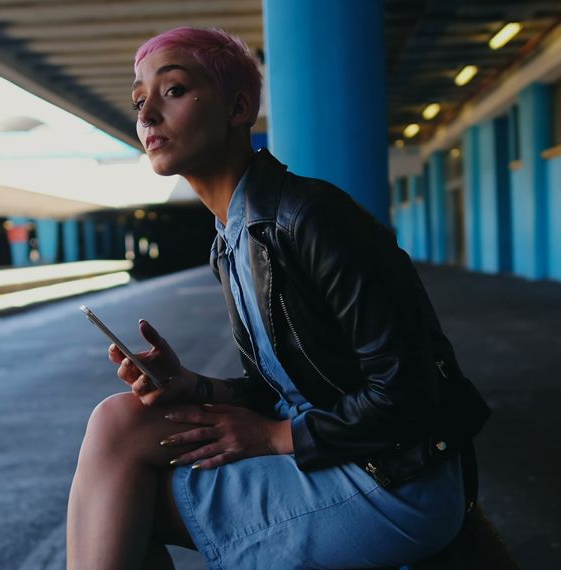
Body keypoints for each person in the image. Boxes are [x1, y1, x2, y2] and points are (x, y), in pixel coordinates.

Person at [66, 27, 490, 570]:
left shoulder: (310, 219)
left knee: (124, 505)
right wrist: (194, 385)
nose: (146, 116)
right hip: (336, 449)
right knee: (119, 420)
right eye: (139, 100)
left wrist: (274, 436)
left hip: (395, 478)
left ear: (237, 108)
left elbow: (408, 393)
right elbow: (296, 384)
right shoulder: (233, 239)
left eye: (171, 91)